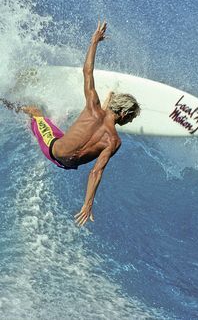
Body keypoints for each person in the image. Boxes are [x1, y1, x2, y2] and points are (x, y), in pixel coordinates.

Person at [0, 21, 141, 226]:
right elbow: (96, 172)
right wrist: (87, 204)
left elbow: (87, 72)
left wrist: (94, 42)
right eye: (132, 117)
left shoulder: (93, 106)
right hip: (53, 149)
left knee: (49, 121)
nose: (132, 120)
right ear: (124, 113)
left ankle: (108, 98)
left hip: (61, 152)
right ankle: (4, 100)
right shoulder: (113, 141)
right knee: (36, 113)